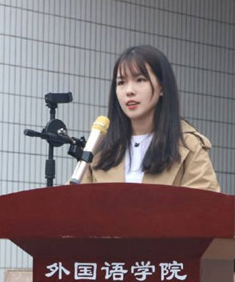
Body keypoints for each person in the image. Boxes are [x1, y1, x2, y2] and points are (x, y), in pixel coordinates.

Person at [80, 45, 219, 191]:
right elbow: (75, 200)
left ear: (162, 87)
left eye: (140, 80)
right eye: (121, 82)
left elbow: (205, 202)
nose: (129, 91)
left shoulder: (189, 145)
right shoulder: (98, 148)